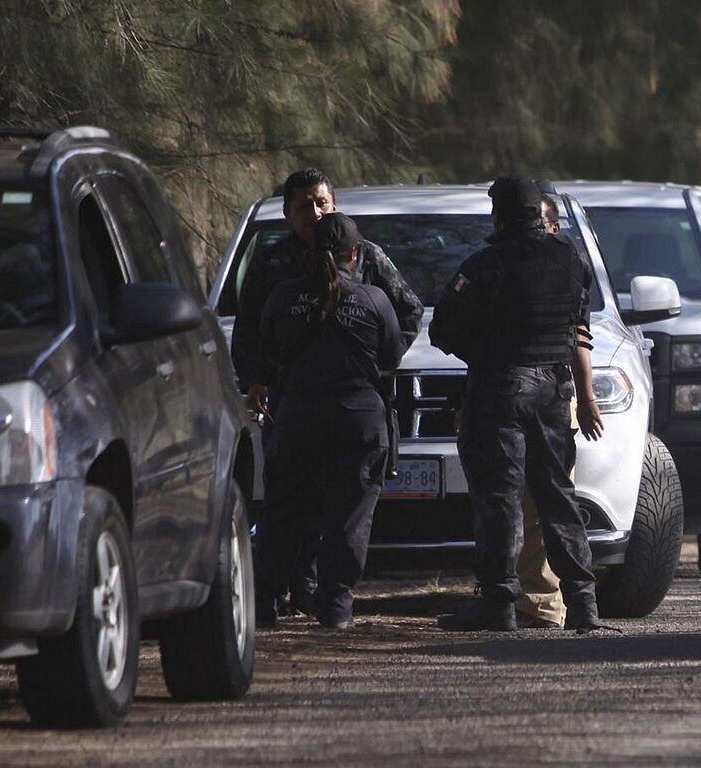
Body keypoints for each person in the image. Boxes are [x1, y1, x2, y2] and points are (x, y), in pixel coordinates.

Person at [234, 168, 423, 618]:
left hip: (349, 399)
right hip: (294, 401)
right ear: (287, 212)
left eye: (321, 203)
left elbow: (407, 311)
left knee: (334, 507)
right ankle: (280, 595)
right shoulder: (273, 263)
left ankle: (318, 593)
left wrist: (372, 359)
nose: (314, 212)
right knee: (293, 505)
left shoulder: (369, 258)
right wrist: (256, 380)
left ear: (333, 205)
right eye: (304, 205)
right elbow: (249, 329)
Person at [431, 175, 606, 634]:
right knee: (557, 498)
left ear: (499, 216)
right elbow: (577, 323)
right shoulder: (571, 259)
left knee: (500, 501)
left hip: (500, 392)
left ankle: (498, 604)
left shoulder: (486, 265)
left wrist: (487, 350)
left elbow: (443, 331)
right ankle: (584, 606)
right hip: (554, 391)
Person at [509, 186, 607, 629]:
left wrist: (586, 398)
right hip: (526, 397)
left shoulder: (566, 266)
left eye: (550, 224)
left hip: (552, 397)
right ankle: (539, 602)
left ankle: (549, 604)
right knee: (527, 507)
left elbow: (579, 337)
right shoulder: (513, 265)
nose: (547, 231)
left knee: (547, 503)